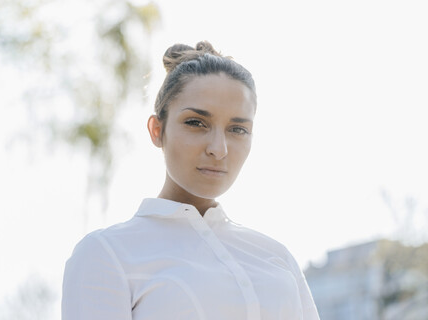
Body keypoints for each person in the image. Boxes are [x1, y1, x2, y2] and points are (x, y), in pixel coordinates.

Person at [62, 41, 320, 320]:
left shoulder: (276, 257)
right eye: (196, 123)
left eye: (238, 129)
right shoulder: (108, 253)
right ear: (157, 130)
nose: (218, 148)